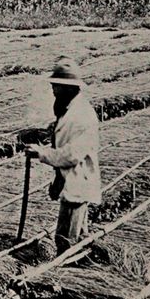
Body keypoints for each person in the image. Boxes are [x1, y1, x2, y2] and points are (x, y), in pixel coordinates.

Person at [24, 58, 101, 256]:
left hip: (79, 182)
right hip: (72, 181)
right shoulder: (68, 110)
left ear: (69, 88)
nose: (53, 90)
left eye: (56, 86)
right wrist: (57, 180)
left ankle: (69, 271)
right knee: (73, 234)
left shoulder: (81, 116)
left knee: (67, 239)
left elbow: (71, 155)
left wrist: (41, 153)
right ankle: (78, 261)